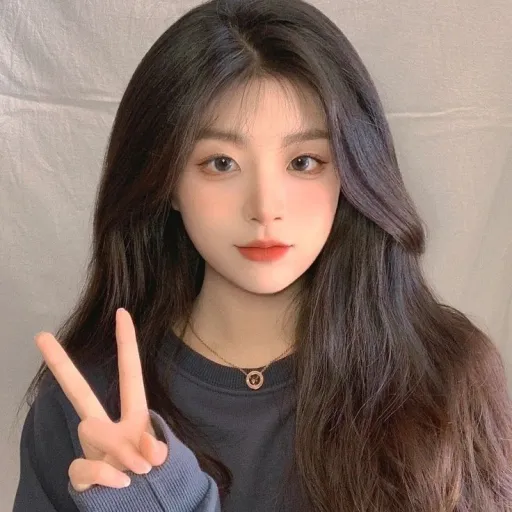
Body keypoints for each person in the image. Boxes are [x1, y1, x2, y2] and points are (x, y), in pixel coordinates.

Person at [13, 0, 512, 510]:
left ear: (352, 172)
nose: (265, 208)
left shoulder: (445, 376)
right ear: (166, 180)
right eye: (220, 163)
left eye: (304, 162)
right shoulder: (91, 410)